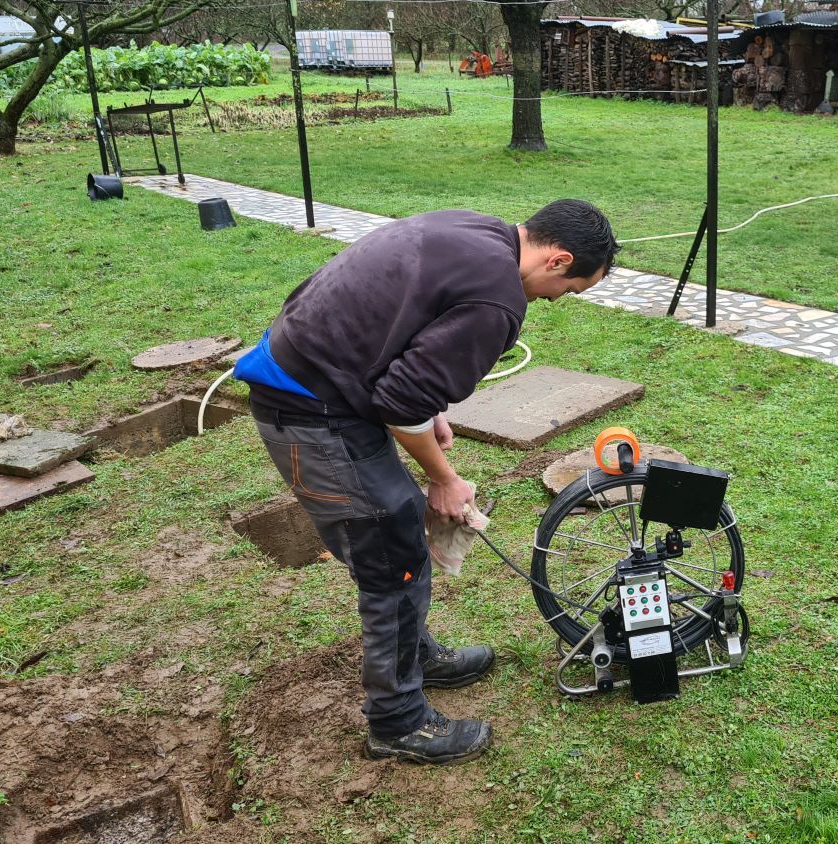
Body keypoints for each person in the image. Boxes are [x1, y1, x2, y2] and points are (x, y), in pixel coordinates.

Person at [233, 200, 618, 765]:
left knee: (401, 535)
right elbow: (399, 399)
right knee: (391, 557)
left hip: (316, 378)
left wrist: (427, 404)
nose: (558, 300)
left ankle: (416, 657)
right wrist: (443, 479)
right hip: (311, 411)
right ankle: (396, 721)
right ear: (558, 260)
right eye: (572, 289)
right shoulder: (499, 300)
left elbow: (406, 325)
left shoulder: (476, 229)